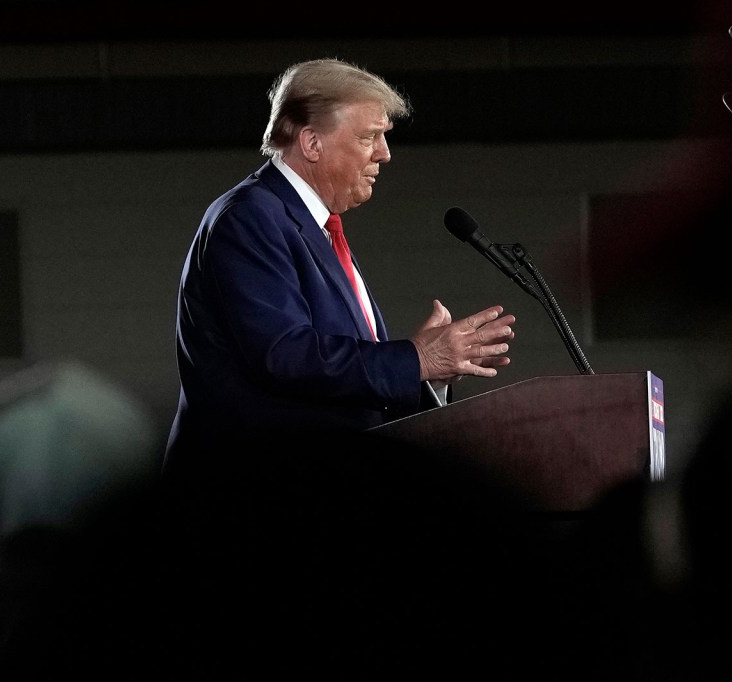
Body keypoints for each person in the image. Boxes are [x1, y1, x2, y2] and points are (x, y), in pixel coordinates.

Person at [157, 58, 521, 678]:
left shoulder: (314, 231)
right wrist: (414, 358)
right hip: (250, 526)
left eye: (384, 138)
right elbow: (283, 355)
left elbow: (342, 376)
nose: (384, 154)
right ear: (311, 140)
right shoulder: (251, 218)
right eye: (369, 136)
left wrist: (422, 370)